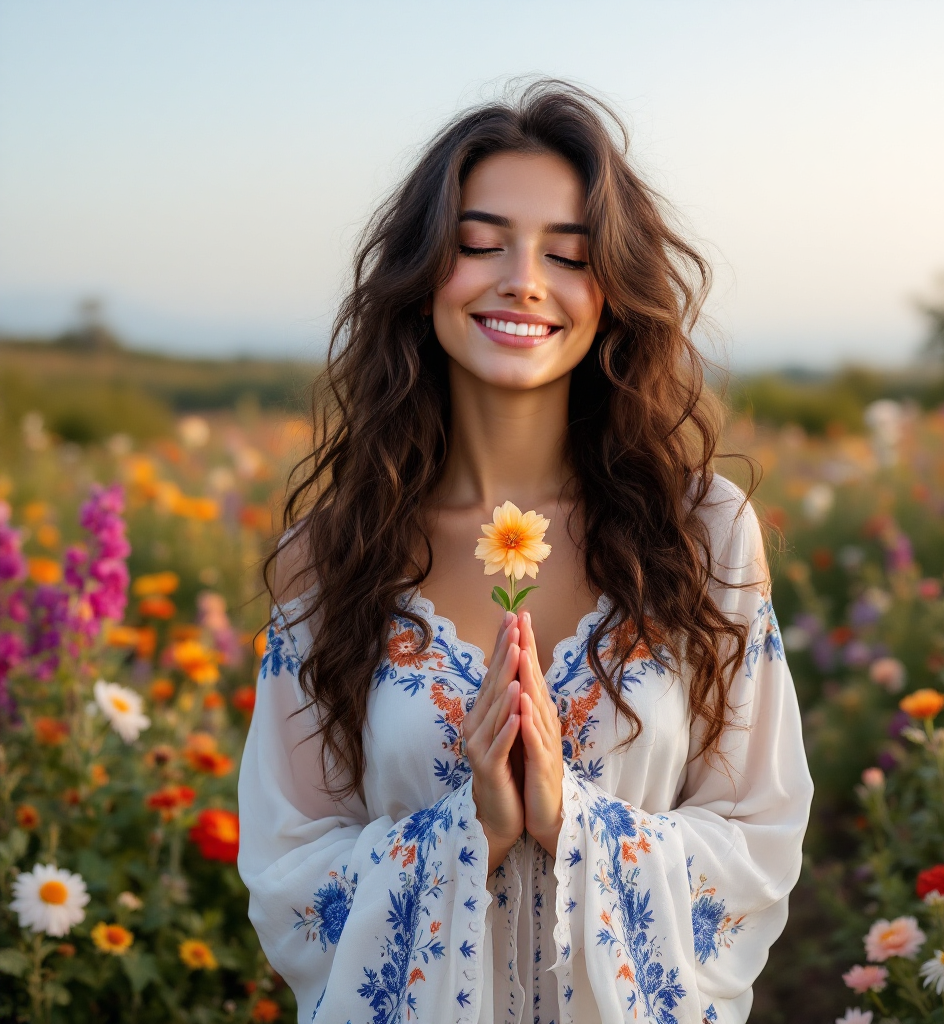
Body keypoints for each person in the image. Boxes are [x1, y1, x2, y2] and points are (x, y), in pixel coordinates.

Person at [237, 80, 812, 1024]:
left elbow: (759, 831)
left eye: (569, 255)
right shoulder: (329, 555)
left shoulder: (703, 531)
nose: (523, 279)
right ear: (424, 275)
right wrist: (474, 830)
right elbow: (289, 868)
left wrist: (572, 822)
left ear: (611, 292)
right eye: (479, 243)